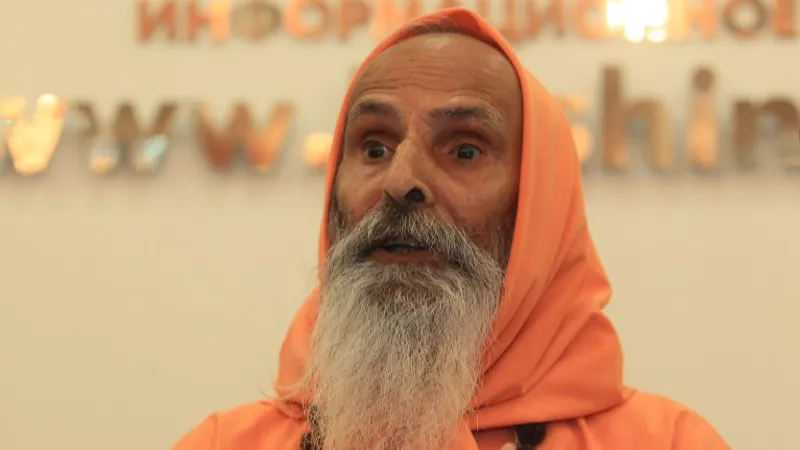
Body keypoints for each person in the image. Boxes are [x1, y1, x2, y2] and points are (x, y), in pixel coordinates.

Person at [173, 7, 729, 450]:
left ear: (539, 204)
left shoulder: (667, 441)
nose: (401, 181)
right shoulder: (225, 442)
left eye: (464, 150)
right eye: (374, 147)